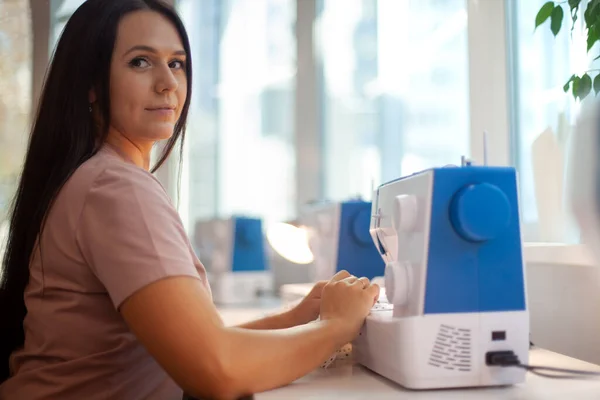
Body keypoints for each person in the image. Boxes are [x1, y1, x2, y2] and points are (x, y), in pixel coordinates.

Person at [0, 1, 380, 399]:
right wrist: (335, 326)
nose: (168, 83)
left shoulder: (96, 177)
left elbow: (183, 350)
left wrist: (297, 318)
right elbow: (216, 369)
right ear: (91, 84)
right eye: (141, 62)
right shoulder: (115, 187)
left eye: (177, 63)